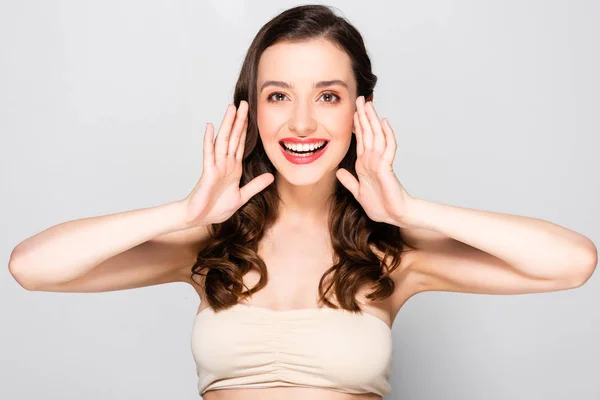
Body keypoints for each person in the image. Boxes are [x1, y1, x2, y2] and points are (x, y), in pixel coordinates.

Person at [8, 4, 597, 400]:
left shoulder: (395, 256)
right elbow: (31, 268)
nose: (301, 121)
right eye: (278, 94)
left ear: (360, 110)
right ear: (253, 110)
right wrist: (184, 214)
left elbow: (571, 263)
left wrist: (410, 211)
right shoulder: (209, 246)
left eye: (329, 95)